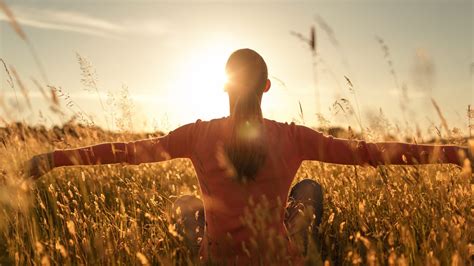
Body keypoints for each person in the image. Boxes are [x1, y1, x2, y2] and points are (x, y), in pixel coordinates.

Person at [26, 49, 471, 265]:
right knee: (310, 190)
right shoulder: (293, 138)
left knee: (184, 204)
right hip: (276, 256)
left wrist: (56, 159)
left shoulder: (196, 136)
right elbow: (372, 153)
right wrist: (455, 154)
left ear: (224, 87)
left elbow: (126, 153)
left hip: (218, 258)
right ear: (267, 87)